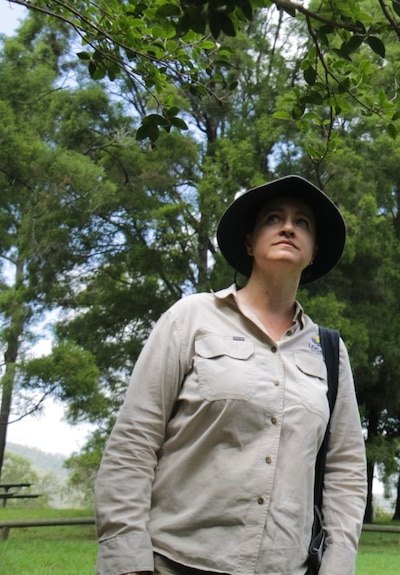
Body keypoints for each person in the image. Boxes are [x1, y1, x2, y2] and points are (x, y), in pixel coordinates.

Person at [95, 175, 367, 575]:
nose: (289, 227)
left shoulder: (329, 352)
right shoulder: (191, 318)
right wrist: (127, 559)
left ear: (313, 252)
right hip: (175, 563)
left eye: (303, 222)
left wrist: (338, 563)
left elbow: (345, 467)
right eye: (274, 219)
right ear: (249, 242)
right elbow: (134, 441)